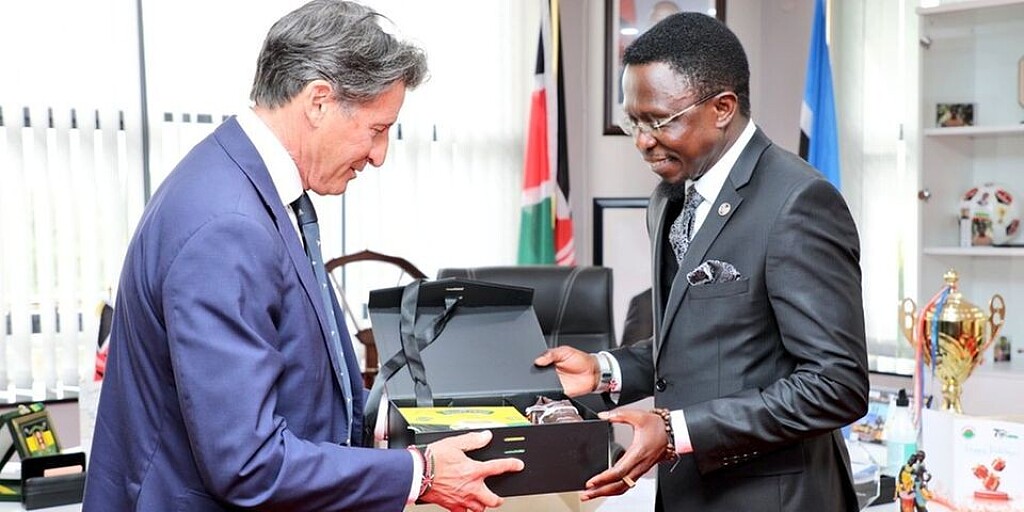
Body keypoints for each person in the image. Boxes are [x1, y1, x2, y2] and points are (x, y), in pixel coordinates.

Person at [83, 1, 522, 511]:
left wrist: (383, 428)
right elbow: (248, 464)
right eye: (378, 129)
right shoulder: (229, 224)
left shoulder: (248, 185)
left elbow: (291, 375)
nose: (380, 156)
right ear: (318, 102)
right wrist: (419, 474)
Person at [535, 12, 869, 512]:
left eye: (658, 121)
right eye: (634, 121)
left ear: (722, 108)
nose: (642, 140)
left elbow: (836, 385)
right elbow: (698, 344)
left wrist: (677, 430)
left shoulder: (798, 202)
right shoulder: (668, 199)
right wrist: (603, 371)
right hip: (688, 494)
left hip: (774, 499)